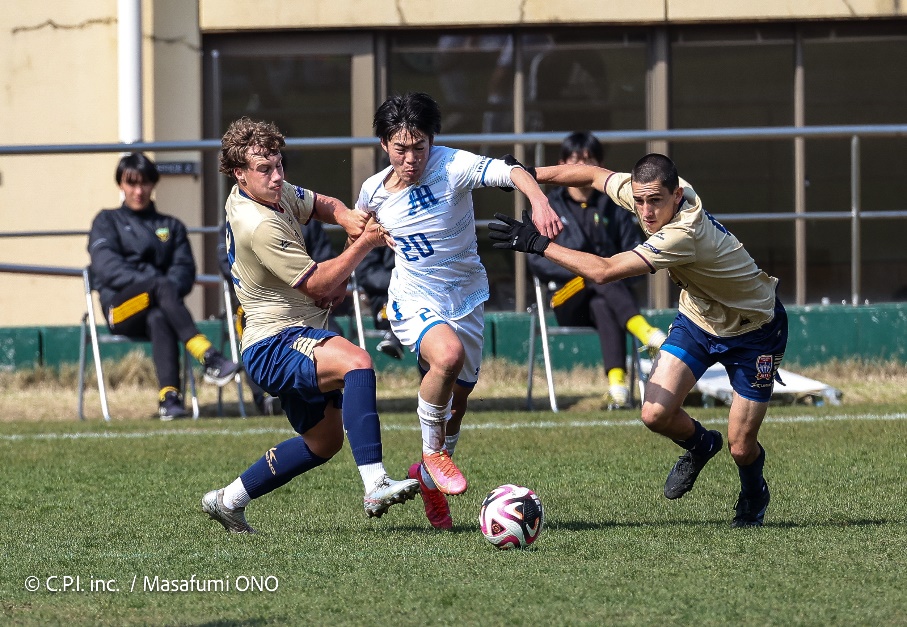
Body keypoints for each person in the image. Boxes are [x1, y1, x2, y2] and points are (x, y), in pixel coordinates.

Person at [489, 153, 788, 528]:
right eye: (640, 200)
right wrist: (526, 175)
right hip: (699, 319)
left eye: (655, 201)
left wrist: (536, 243)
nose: (646, 211)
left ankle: (753, 495)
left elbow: (606, 270)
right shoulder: (652, 191)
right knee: (654, 414)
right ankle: (700, 445)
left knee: (742, 446)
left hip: (754, 329)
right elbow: (593, 174)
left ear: (676, 196)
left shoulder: (683, 233)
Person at [201, 117, 419, 533]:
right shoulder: (258, 223)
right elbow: (319, 281)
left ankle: (228, 500)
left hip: (297, 330)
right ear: (238, 173)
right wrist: (366, 241)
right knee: (357, 362)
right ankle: (375, 483)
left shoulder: (269, 191)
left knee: (324, 443)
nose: (277, 176)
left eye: (279, 164)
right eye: (264, 169)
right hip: (274, 343)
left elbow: (322, 204)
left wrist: (345, 217)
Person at [357, 92, 562, 529]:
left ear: (433, 141)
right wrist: (365, 243)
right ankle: (431, 455)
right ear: (384, 146)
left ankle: (429, 479)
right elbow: (357, 234)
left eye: (419, 147)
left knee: (458, 403)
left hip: (466, 297)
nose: (411, 158)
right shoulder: (372, 192)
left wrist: (539, 201)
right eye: (400, 148)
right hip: (413, 300)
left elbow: (511, 171)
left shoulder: (452, 166)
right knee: (446, 357)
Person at [88, 153, 241, 420]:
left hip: (160, 307)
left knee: (160, 314)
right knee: (160, 286)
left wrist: (160, 288)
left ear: (153, 184)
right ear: (120, 185)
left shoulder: (172, 226)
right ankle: (208, 356)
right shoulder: (106, 222)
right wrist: (152, 282)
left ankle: (169, 398)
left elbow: (184, 273)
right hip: (120, 310)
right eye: (131, 183)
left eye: (145, 183)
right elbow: (106, 268)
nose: (138, 190)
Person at [525, 132, 666, 408]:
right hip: (565, 299)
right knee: (597, 271)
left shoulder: (616, 205)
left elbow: (635, 252)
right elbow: (537, 259)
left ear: (599, 166)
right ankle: (647, 334)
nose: (581, 168)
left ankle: (617, 389)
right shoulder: (548, 205)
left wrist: (605, 266)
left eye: (588, 162)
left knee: (603, 292)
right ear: (561, 165)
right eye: (574, 162)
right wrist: (583, 266)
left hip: (606, 299)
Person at [217, 217, 346, 414]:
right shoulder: (238, 217)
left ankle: (321, 395)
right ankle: (268, 398)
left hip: (306, 304)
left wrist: (308, 283)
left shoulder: (306, 222)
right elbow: (228, 264)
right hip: (257, 307)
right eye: (269, 182)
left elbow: (325, 260)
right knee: (254, 336)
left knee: (334, 334)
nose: (276, 185)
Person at [355, 246, 404, 360]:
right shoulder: (378, 229)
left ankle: (395, 337)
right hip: (387, 297)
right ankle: (395, 335)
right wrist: (401, 281)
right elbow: (366, 273)